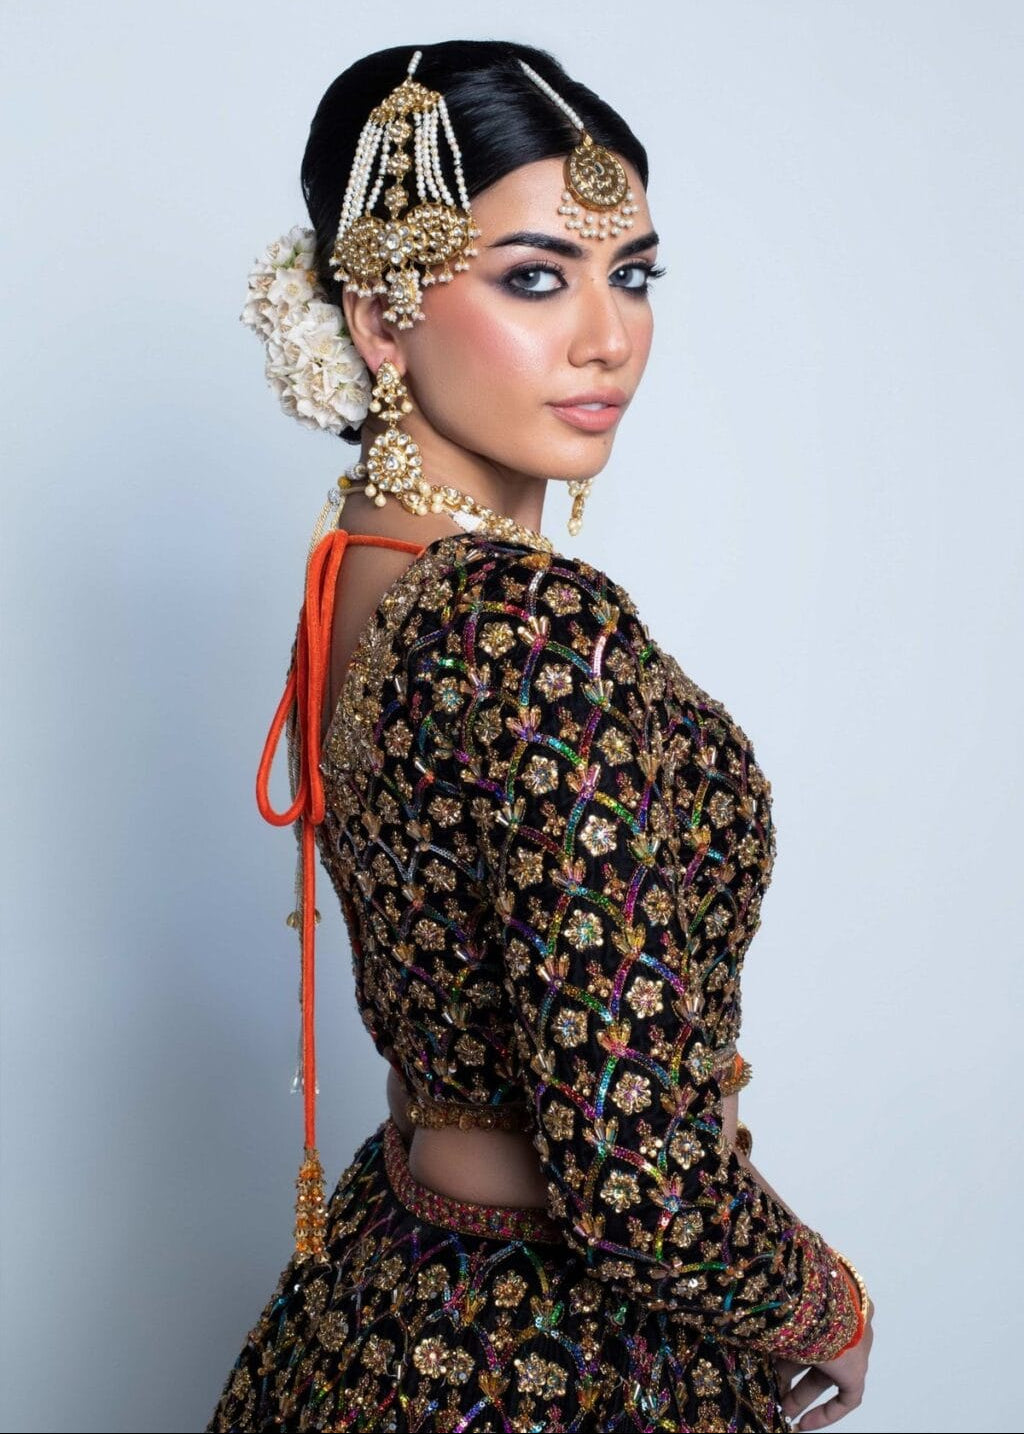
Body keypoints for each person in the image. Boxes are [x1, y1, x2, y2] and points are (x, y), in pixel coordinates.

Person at [208, 39, 873, 1433]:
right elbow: (640, 1175)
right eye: (533, 274)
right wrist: (824, 1304)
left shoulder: (359, 566)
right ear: (379, 319)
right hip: (554, 1357)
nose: (607, 334)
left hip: (384, 1305)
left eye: (630, 271)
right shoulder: (532, 625)